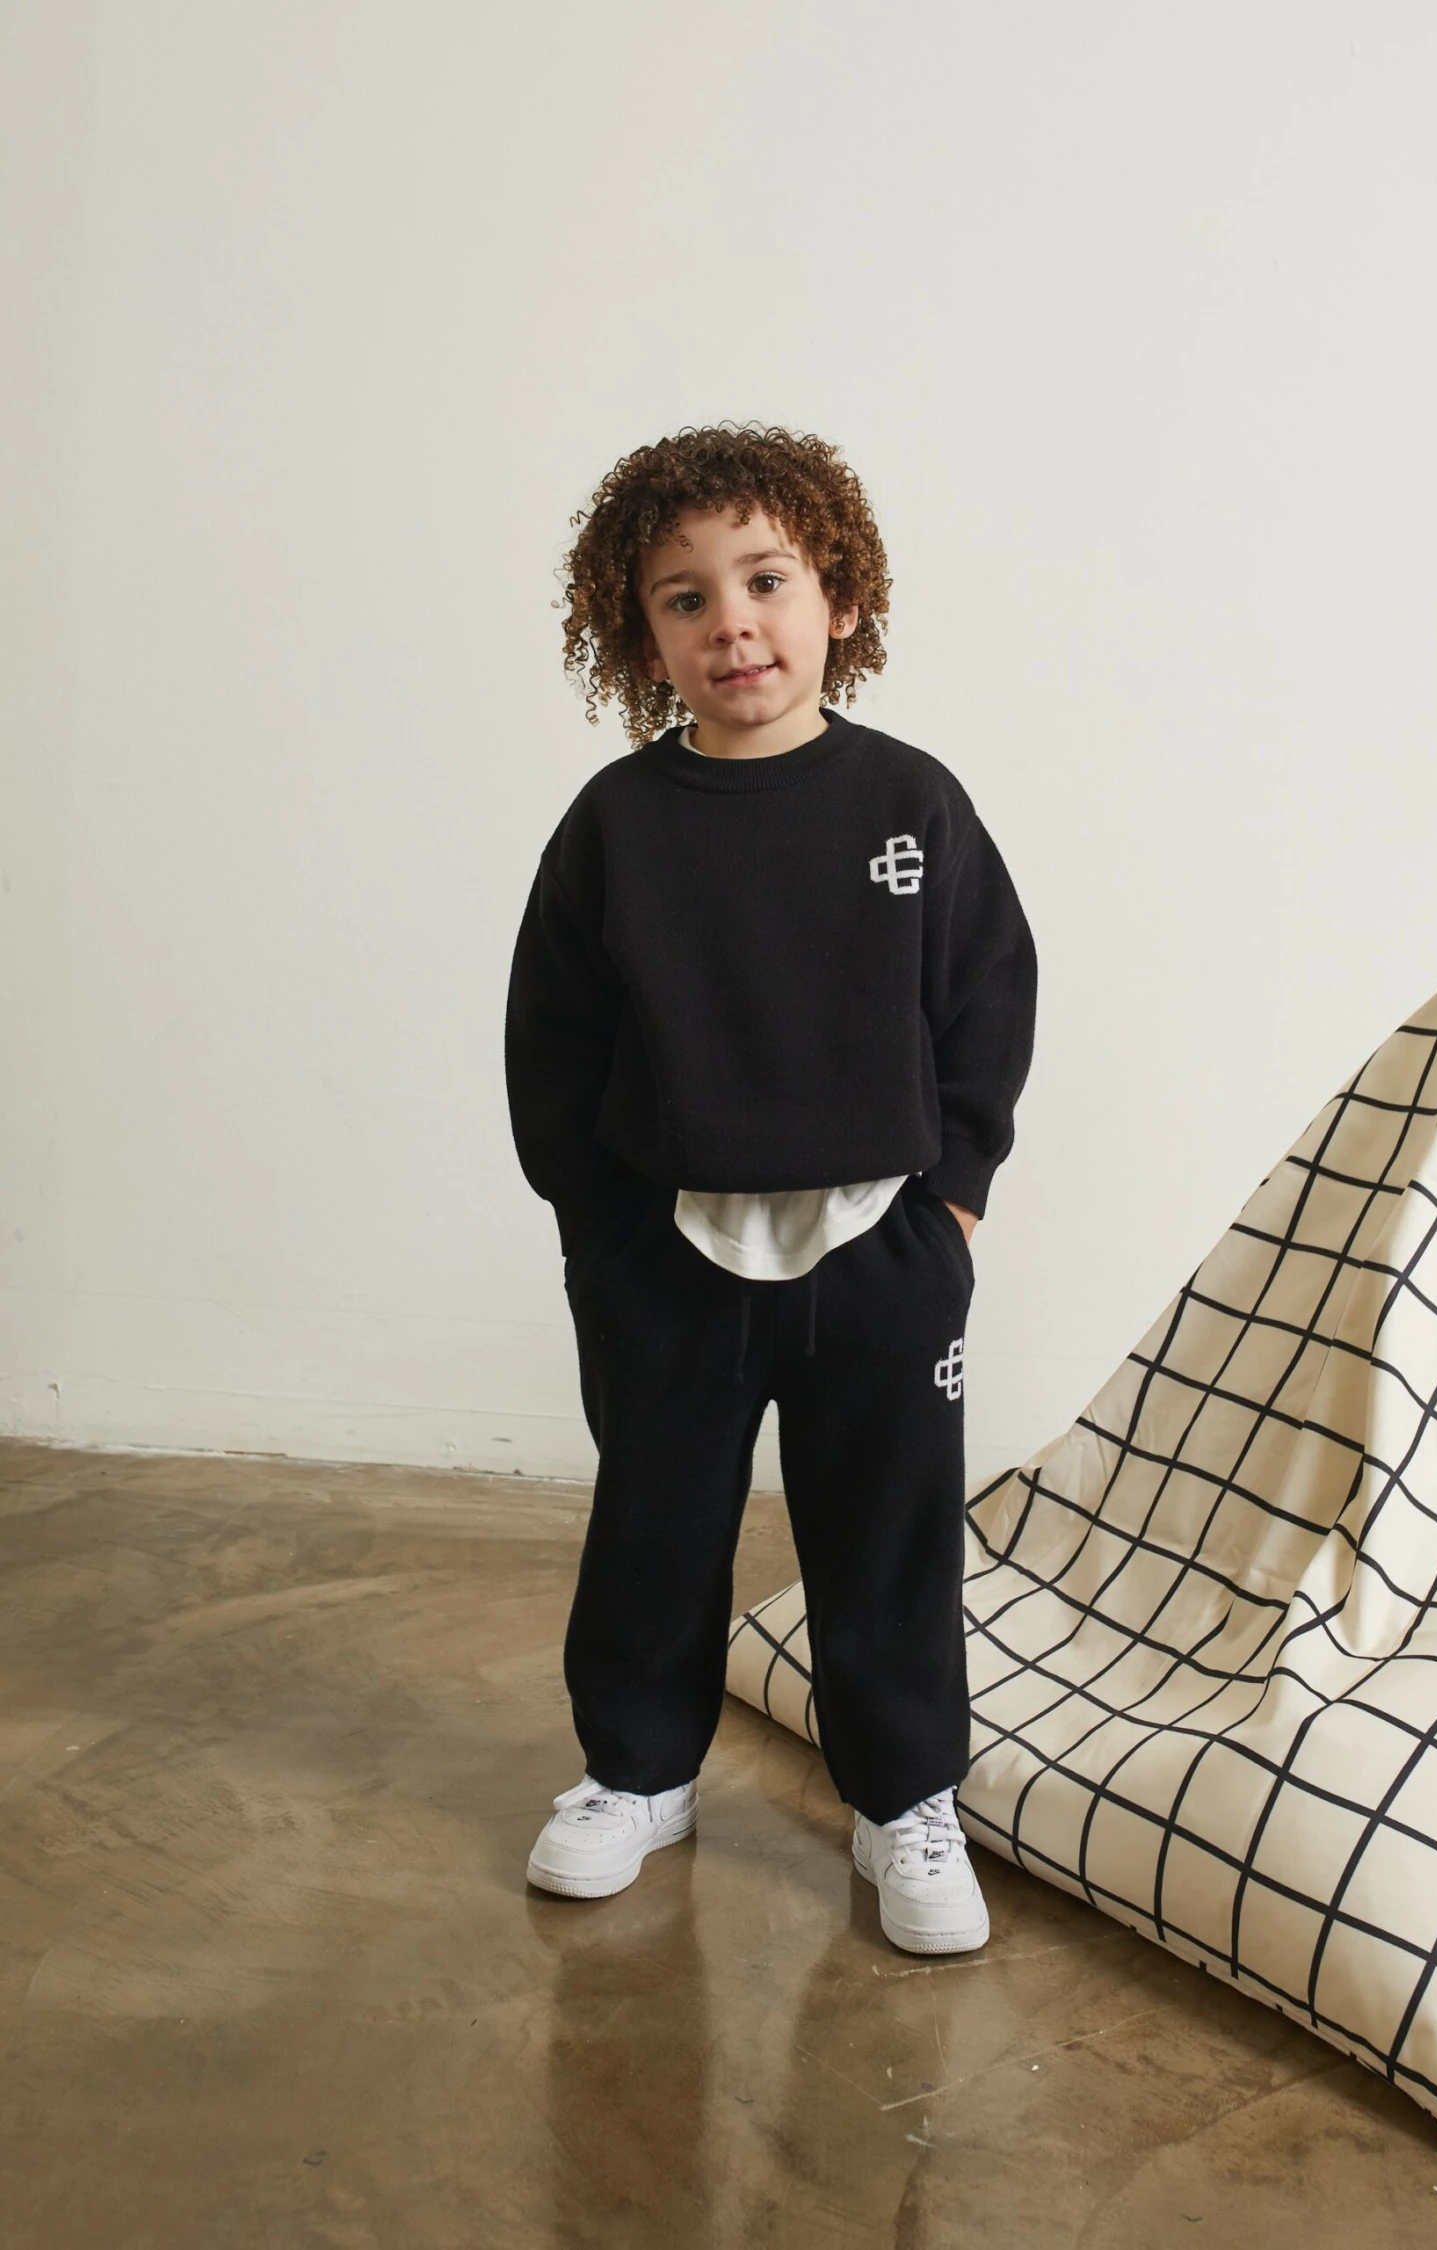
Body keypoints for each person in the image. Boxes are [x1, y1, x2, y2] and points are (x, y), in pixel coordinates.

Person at [504, 424, 1036, 1954]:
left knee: (888, 1534)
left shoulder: (912, 804)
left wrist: (952, 1206)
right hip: (670, 1255)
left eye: (766, 580)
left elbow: (987, 1000)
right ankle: (637, 1772)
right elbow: (553, 1039)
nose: (731, 621)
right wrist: (603, 1235)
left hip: (882, 1251)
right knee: (656, 1522)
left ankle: (905, 1797)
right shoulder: (618, 825)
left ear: (839, 597)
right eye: (684, 598)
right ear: (641, 638)